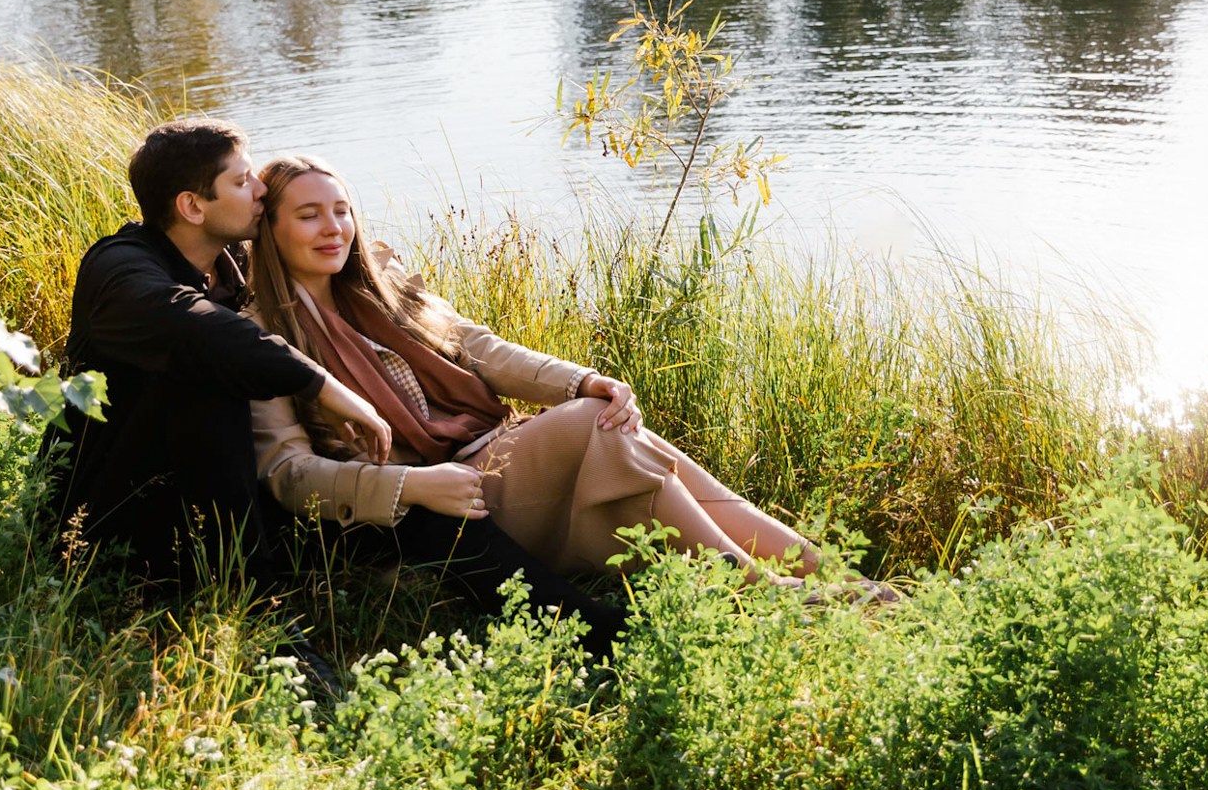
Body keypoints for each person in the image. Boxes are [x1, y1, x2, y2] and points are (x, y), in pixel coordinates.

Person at [50, 121, 627, 650]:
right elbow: (203, 332)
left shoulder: (226, 266)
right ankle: (266, 621)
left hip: (236, 500)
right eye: (241, 179)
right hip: (126, 515)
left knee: (420, 512)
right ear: (191, 206)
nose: (258, 189)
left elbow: (463, 338)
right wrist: (325, 386)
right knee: (219, 382)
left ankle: (588, 624)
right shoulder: (120, 268)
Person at [246, 155, 836, 593]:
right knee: (595, 427)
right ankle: (768, 588)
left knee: (625, 435)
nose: (334, 229)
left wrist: (582, 379)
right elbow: (289, 473)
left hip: (490, 454)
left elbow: (480, 348)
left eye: (342, 210)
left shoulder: (381, 283)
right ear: (269, 229)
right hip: (434, 506)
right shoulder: (259, 336)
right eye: (309, 215)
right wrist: (410, 486)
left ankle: (828, 576)